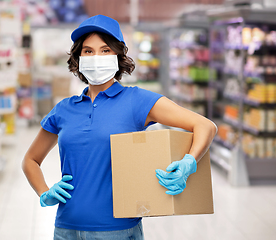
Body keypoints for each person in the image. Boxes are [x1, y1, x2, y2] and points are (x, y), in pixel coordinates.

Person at [22, 14, 217, 240]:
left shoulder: (137, 101)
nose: (96, 57)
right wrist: (44, 192)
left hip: (117, 230)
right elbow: (30, 160)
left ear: (118, 56)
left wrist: (189, 162)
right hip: (66, 229)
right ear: (78, 58)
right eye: (88, 51)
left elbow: (205, 126)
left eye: (105, 50)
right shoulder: (64, 109)